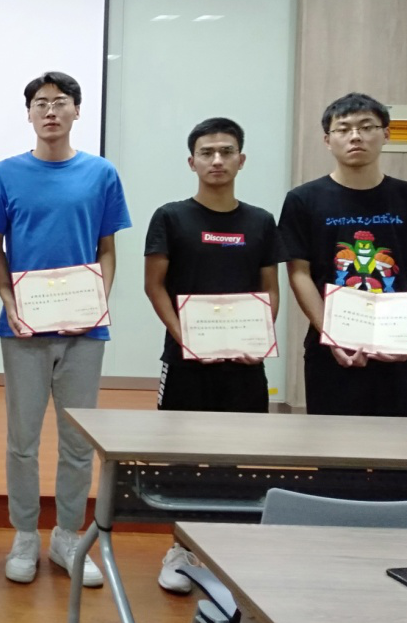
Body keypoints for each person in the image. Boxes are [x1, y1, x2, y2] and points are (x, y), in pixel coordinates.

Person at [0, 71, 131, 587]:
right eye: (40, 103)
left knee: (77, 441)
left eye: (60, 102)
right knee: (22, 440)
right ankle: (25, 535)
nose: (50, 111)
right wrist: (9, 302)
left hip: (85, 331)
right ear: (28, 113)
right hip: (23, 329)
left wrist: (97, 303)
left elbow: (107, 249)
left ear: (77, 111)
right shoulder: (5, 174)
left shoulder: (101, 174)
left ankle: (68, 536)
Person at [142, 117, 283, 593]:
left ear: (241, 160)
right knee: (181, 456)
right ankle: (181, 548)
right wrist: (185, 337)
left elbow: (270, 289)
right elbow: (154, 286)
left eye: (226, 152)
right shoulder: (171, 217)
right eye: (207, 152)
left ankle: (230, 550)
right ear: (192, 162)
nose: (217, 160)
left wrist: (258, 338)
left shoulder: (260, 221)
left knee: (240, 455)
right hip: (186, 362)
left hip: (244, 365)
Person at [279, 92, 407, 417]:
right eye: (343, 129)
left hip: (404, 348)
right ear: (327, 140)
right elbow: (299, 273)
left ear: (386, 134)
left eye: (367, 127)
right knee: (335, 444)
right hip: (333, 348)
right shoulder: (303, 200)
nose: (355, 136)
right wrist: (330, 333)